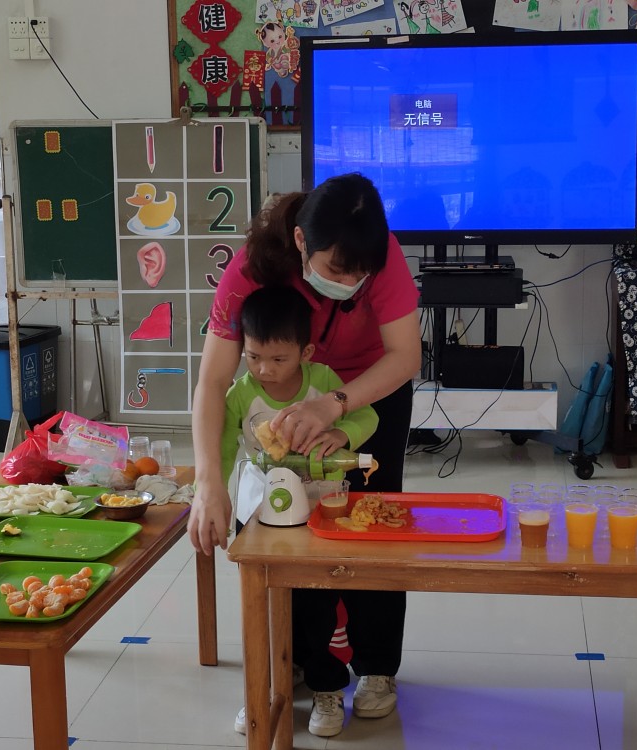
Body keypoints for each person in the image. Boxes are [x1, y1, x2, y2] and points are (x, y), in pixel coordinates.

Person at [189, 173, 422, 737]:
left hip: (368, 387)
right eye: (336, 271)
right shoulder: (251, 269)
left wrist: (335, 405)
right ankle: (294, 657)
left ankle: (376, 665)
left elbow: (405, 357)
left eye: (359, 274)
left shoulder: (379, 254)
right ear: (300, 241)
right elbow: (214, 381)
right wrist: (209, 482)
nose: (350, 282)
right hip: (283, 391)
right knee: (285, 531)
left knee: (373, 524)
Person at [221, 285, 378, 526]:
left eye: (278, 359)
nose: (264, 369)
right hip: (260, 499)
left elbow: (367, 416)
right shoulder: (240, 394)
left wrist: (341, 434)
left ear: (306, 353)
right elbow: (222, 450)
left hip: (323, 496)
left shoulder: (323, 379)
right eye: (253, 357)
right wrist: (210, 494)